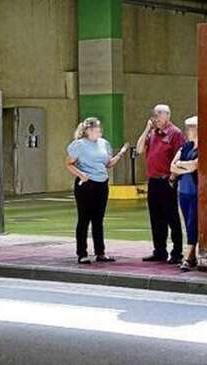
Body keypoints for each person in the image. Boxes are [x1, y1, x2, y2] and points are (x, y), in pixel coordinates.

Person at [66, 117, 129, 265]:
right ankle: (82, 253)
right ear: (87, 130)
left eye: (99, 129)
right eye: (95, 129)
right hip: (86, 184)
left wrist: (120, 154)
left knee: (98, 219)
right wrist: (81, 174)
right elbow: (69, 163)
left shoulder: (104, 143)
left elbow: (108, 164)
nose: (98, 132)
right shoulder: (79, 145)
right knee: (84, 219)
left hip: (102, 183)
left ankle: (100, 252)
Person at [136, 104, 185, 264]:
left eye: (158, 115)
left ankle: (177, 252)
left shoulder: (175, 133)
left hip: (167, 180)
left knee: (172, 217)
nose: (155, 118)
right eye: (154, 115)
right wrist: (146, 129)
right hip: (153, 181)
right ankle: (159, 251)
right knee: (156, 217)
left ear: (167, 115)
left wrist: (173, 178)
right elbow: (139, 149)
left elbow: (180, 157)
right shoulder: (152, 133)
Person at [170, 116, 198, 271]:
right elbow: (172, 166)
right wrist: (184, 166)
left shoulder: (202, 148)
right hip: (183, 191)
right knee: (187, 222)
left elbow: (196, 165)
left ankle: (188, 257)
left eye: (192, 128)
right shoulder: (186, 147)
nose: (188, 131)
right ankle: (192, 255)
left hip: (196, 192)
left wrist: (181, 165)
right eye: (188, 128)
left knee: (192, 222)